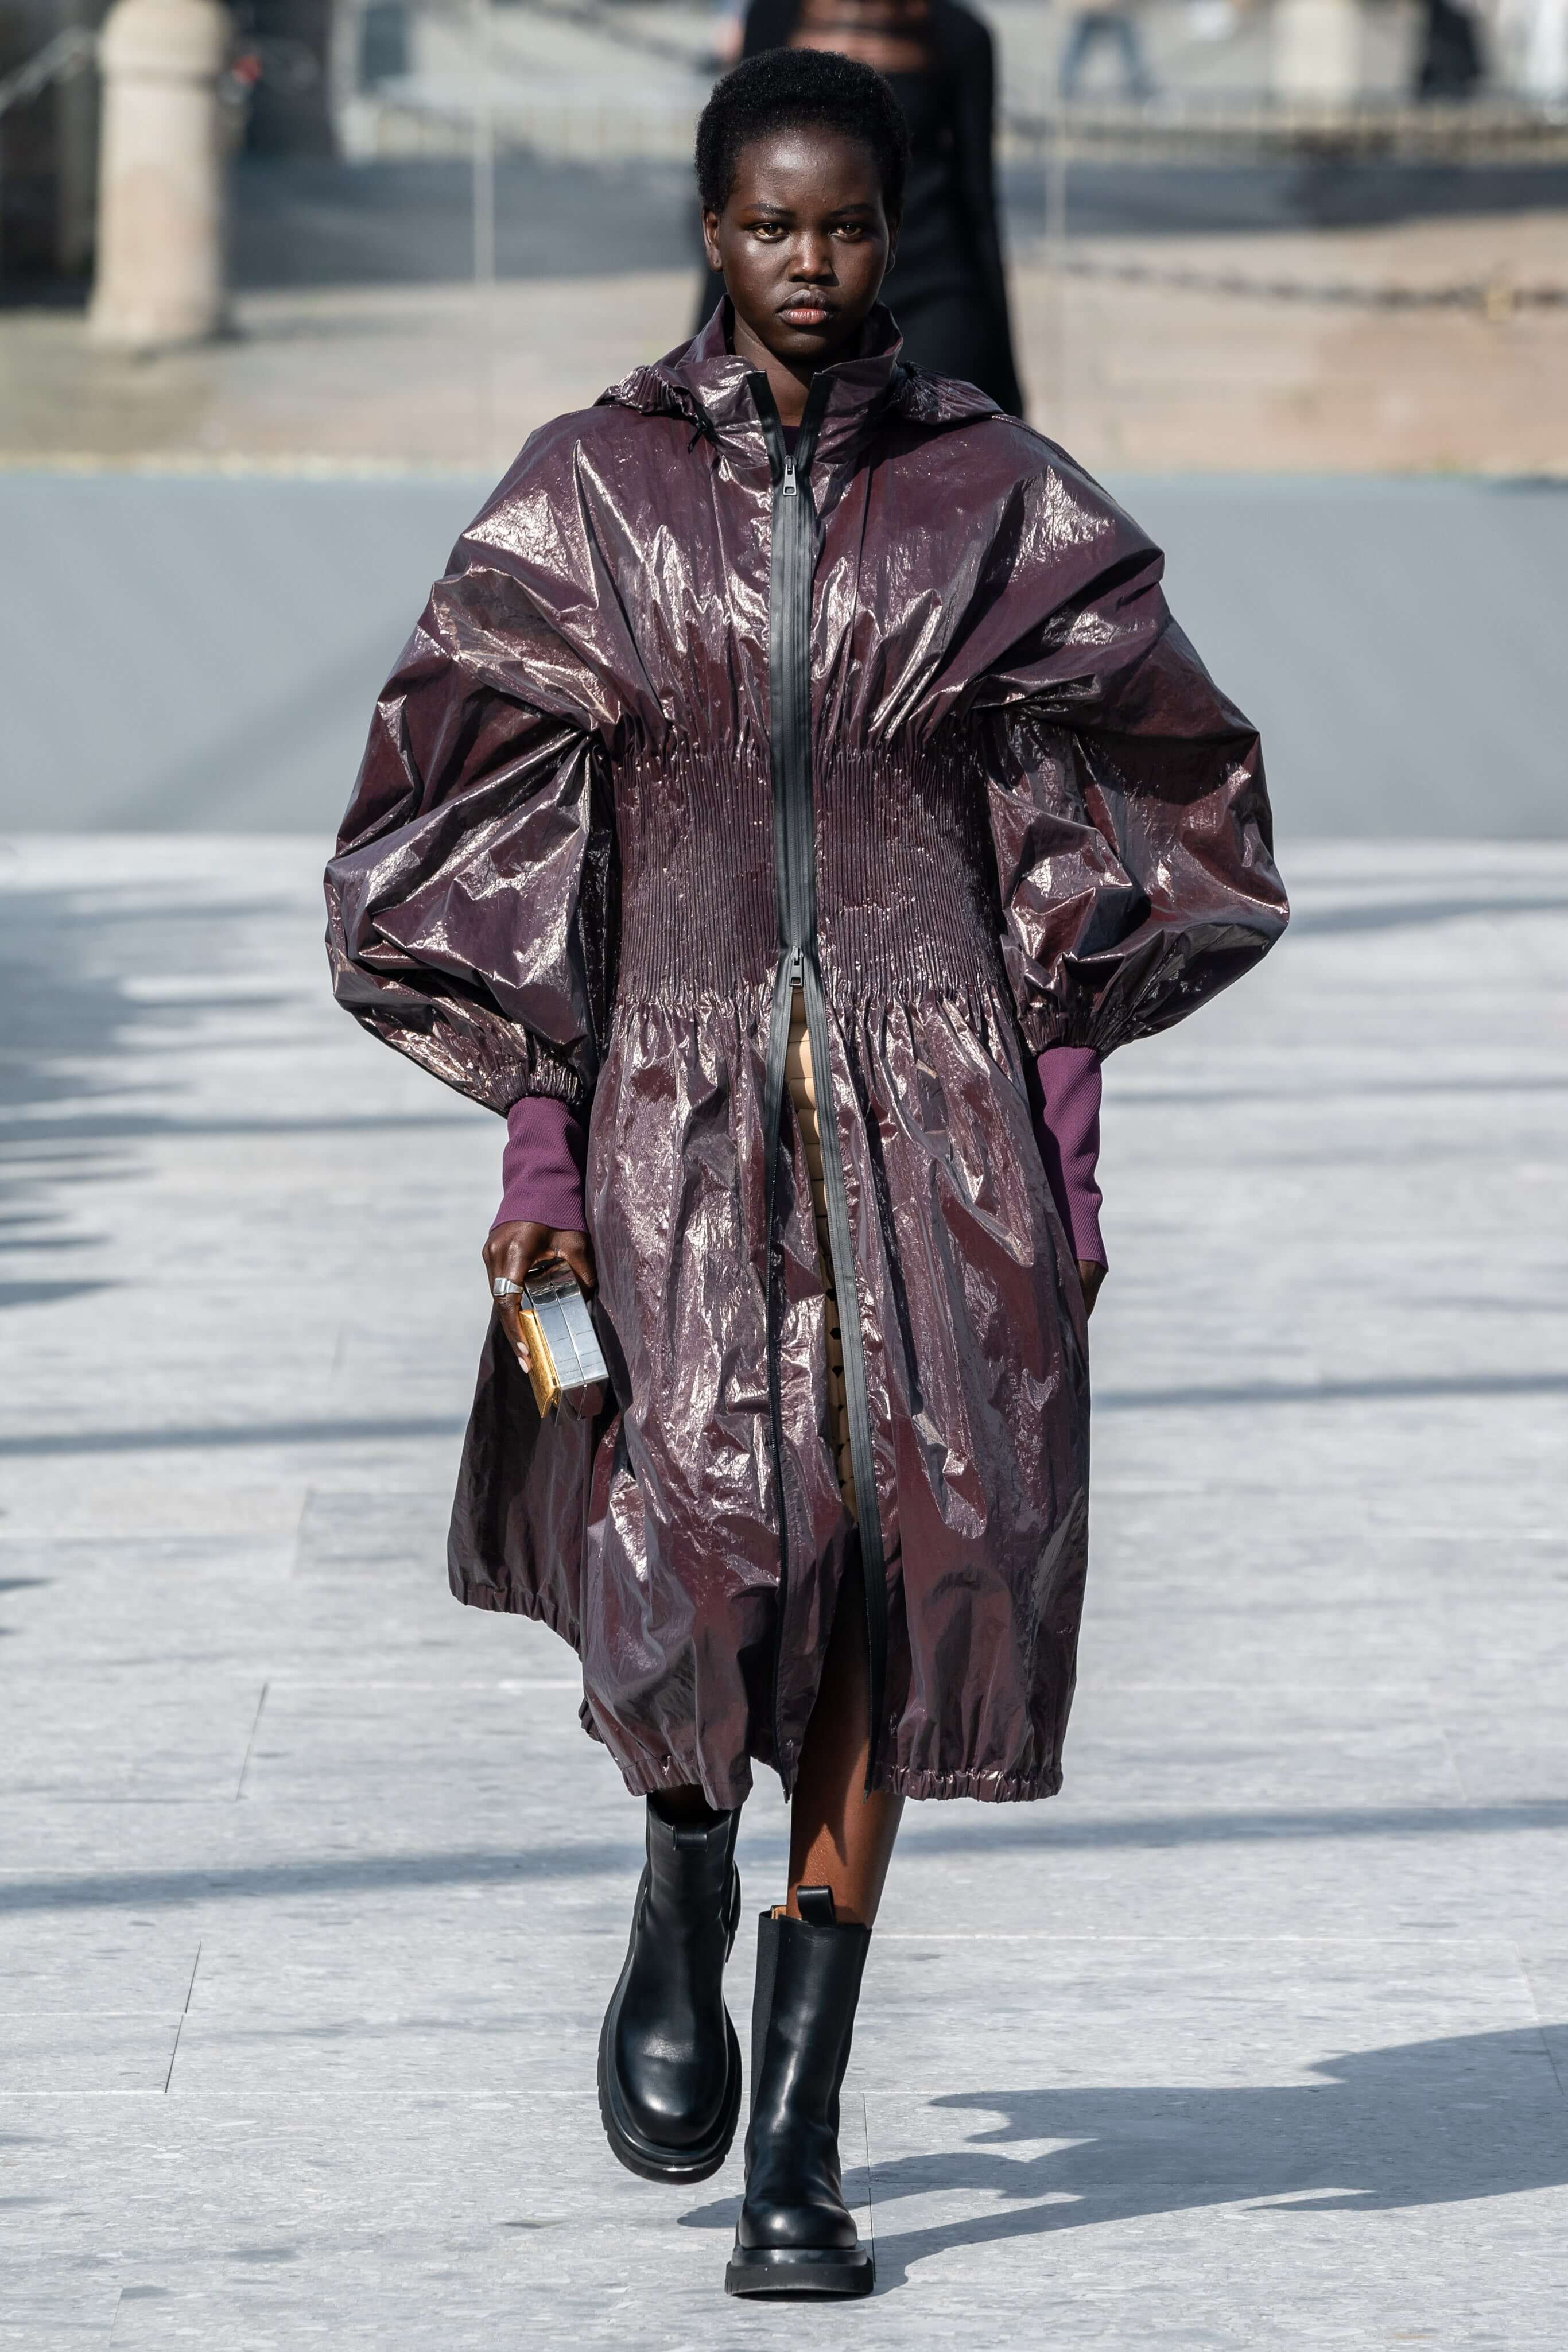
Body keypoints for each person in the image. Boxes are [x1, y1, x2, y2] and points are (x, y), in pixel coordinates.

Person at [325, 45, 1287, 2301]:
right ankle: (681, 1854)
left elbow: (1102, 843)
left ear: (889, 232)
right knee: (684, 1565)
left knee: (880, 1581)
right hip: (666, 1116)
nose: (813, 263)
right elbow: (501, 838)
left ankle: (799, 2136)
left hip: (936, 1120)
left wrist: (1059, 1169)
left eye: (847, 224)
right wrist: (539, 1145)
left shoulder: (994, 501)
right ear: (709, 231)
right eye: (772, 223)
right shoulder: (587, 494)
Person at [696, 0, 1024, 414]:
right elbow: (738, 187)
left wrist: (1006, 377)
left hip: (931, 288)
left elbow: (978, 200)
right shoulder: (775, 16)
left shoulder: (958, 34)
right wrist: (704, 346)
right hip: (792, 290)